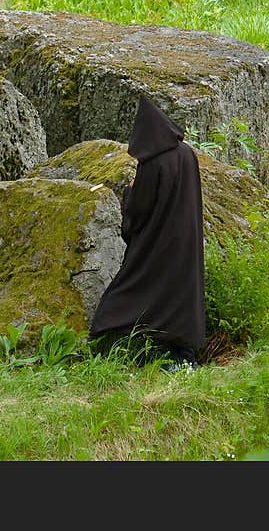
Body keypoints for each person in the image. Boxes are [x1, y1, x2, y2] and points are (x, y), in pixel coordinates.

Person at [89, 93, 206, 371]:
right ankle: (182, 358)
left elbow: (138, 211)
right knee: (180, 298)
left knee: (130, 293)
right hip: (185, 243)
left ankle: (111, 343)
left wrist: (130, 191)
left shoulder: (152, 164)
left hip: (157, 246)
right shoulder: (187, 154)